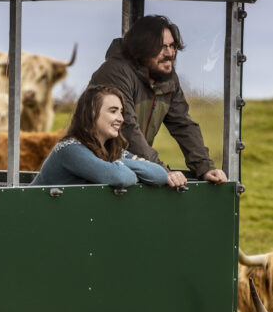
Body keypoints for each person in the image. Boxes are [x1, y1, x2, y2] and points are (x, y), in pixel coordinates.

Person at [89, 14, 228, 188]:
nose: (170, 53)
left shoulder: (166, 78)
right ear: (141, 49)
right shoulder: (115, 73)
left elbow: (183, 124)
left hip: (132, 166)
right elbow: (127, 127)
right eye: (161, 47)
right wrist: (160, 170)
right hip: (97, 171)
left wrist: (205, 167)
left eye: (172, 46)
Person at [31, 85, 170, 188]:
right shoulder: (70, 149)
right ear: (92, 112)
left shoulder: (112, 151)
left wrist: (117, 164)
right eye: (113, 111)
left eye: (121, 112)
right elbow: (121, 177)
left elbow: (160, 175)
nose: (121, 118)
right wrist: (127, 165)